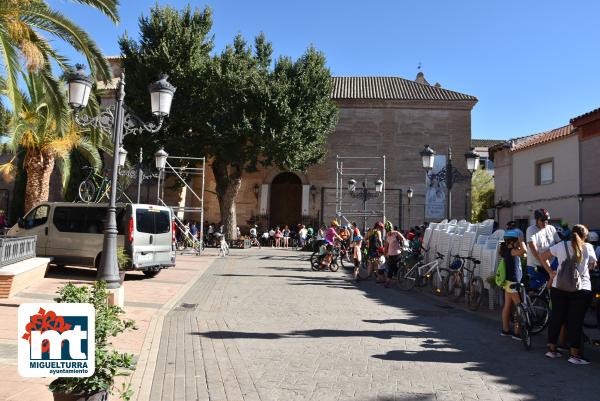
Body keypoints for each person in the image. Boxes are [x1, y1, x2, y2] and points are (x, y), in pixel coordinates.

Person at [540, 224, 597, 364]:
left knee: (557, 318)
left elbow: (543, 256)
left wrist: (551, 272)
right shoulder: (588, 247)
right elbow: (593, 264)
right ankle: (574, 355)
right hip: (581, 289)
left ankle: (552, 350)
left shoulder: (561, 246)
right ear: (585, 236)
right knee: (575, 322)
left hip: (558, 286)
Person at [499, 230, 527, 339]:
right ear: (512, 242)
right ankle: (517, 332)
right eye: (517, 242)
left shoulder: (508, 250)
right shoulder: (511, 251)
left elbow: (524, 254)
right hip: (513, 283)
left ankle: (505, 330)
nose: (518, 243)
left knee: (507, 306)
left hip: (508, 283)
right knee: (518, 307)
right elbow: (524, 250)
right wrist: (522, 240)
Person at [526, 209, 559, 289]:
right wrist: (547, 269)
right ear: (536, 220)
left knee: (555, 286)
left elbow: (559, 244)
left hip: (551, 261)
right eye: (542, 220)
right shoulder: (531, 230)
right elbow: (534, 250)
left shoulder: (551, 228)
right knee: (536, 289)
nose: (545, 222)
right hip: (536, 264)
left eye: (546, 220)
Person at [384, 221, 406, 288]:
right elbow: (386, 246)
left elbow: (403, 240)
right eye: (387, 231)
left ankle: (388, 282)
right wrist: (385, 253)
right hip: (390, 254)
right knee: (394, 268)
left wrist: (403, 247)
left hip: (397, 254)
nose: (388, 232)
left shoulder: (396, 233)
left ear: (392, 228)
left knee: (391, 268)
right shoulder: (388, 236)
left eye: (389, 230)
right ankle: (398, 281)